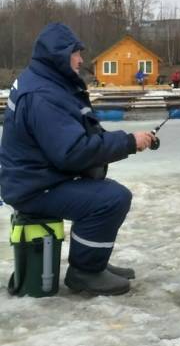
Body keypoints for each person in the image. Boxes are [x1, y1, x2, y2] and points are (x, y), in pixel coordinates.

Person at [0, 23, 155, 295]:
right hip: (33, 187)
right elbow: (72, 152)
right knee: (111, 198)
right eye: (76, 53)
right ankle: (86, 271)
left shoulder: (45, 81)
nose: (81, 59)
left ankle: (95, 262)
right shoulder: (43, 95)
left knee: (105, 193)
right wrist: (128, 142)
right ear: (59, 55)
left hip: (33, 178)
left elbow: (77, 131)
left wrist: (119, 142)